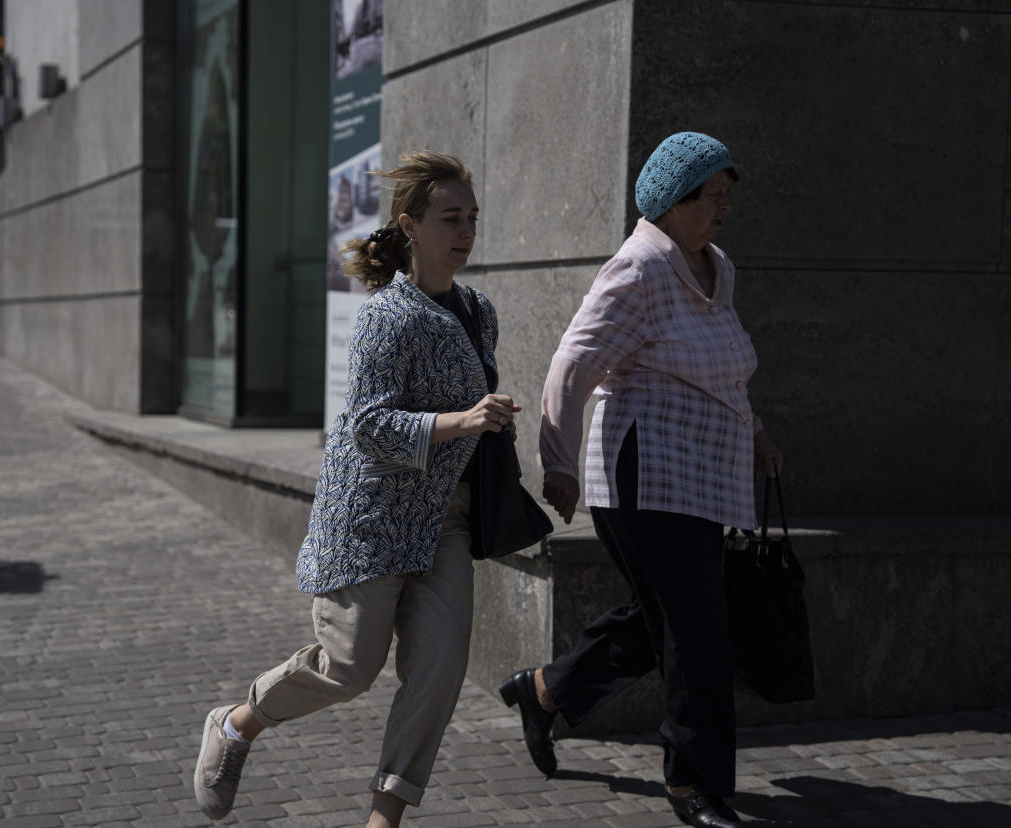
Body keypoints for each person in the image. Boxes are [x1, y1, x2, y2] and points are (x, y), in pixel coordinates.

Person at [193, 151, 520, 827]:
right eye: (450, 218)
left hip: (446, 522)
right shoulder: (385, 316)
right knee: (348, 670)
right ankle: (236, 724)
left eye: (472, 218)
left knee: (438, 671)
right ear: (411, 225)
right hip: (371, 519)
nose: (465, 231)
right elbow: (368, 425)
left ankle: (383, 819)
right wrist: (460, 421)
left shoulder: (479, 310)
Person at [498, 132, 783, 828]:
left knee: (668, 623)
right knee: (697, 631)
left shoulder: (717, 268)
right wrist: (558, 462)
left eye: (727, 197)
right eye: (711, 197)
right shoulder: (639, 269)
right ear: (671, 202)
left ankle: (544, 692)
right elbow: (573, 363)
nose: (723, 209)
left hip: (703, 474)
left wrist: (756, 434)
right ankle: (695, 786)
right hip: (645, 474)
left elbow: (725, 369)